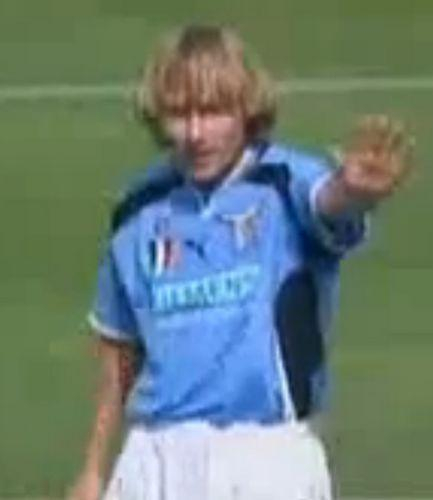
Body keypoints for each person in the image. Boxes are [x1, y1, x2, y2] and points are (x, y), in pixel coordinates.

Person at [69, 24, 412, 500]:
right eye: (180, 114)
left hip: (266, 458)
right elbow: (118, 347)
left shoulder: (284, 182)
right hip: (155, 457)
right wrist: (92, 470)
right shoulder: (138, 209)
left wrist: (355, 192)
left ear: (245, 109)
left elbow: (329, 206)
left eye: (212, 112)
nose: (195, 133)